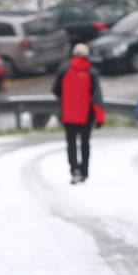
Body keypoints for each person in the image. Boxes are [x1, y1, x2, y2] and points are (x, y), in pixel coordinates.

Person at [51, 42, 105, 184]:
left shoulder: (64, 70)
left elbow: (55, 90)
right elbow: (97, 97)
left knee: (71, 143)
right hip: (86, 114)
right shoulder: (91, 72)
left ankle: (74, 169)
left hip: (68, 114)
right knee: (85, 143)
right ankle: (84, 171)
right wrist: (100, 118)